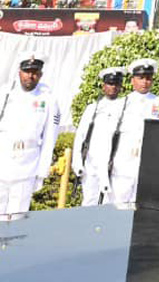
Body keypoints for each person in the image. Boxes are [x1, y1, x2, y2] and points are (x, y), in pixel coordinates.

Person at [0, 50, 58, 220]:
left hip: (27, 166)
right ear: (19, 71)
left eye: (34, 72)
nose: (30, 76)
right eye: (27, 71)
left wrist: (42, 171)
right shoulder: (4, 94)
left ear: (40, 74)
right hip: (2, 161)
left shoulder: (48, 100)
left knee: (17, 217)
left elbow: (50, 138)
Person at [72, 65, 127, 206]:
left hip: (113, 166)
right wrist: (77, 161)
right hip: (91, 164)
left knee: (109, 204)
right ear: (103, 85)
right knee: (89, 202)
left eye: (116, 84)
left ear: (121, 86)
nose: (113, 87)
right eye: (110, 83)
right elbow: (81, 137)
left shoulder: (125, 109)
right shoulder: (93, 108)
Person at [109, 58, 159, 207]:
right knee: (118, 205)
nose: (145, 82)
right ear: (132, 81)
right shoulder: (121, 104)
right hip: (123, 164)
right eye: (141, 78)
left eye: (148, 78)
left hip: (147, 165)